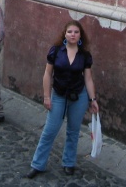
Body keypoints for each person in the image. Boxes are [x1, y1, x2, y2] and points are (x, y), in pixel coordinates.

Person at [25, 20, 99, 179]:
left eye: (76, 32)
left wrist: (92, 99)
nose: (73, 34)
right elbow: (47, 74)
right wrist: (46, 96)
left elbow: (88, 79)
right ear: (64, 34)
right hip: (58, 96)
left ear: (80, 35)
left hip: (78, 97)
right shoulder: (56, 51)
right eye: (70, 31)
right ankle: (38, 164)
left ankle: (69, 163)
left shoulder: (85, 55)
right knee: (49, 131)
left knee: (73, 131)